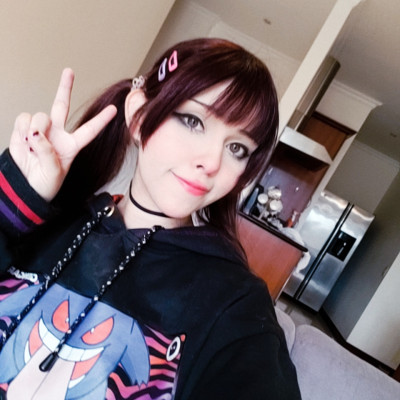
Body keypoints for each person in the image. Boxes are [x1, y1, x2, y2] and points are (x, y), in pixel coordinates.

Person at [0, 38, 301, 399]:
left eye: (237, 148)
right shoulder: (45, 218)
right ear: (139, 115)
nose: (212, 162)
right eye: (193, 121)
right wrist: (15, 199)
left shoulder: (234, 302)